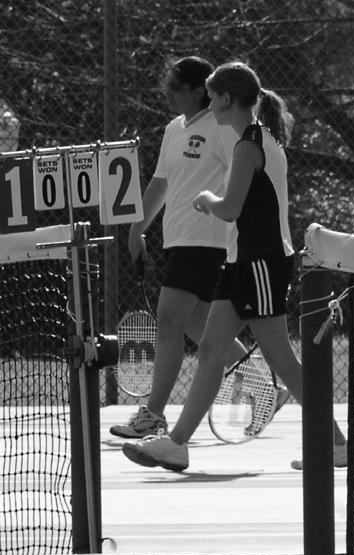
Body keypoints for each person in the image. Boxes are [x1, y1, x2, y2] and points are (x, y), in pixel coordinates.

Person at [121, 61, 347, 471]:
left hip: (261, 264)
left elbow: (229, 209)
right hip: (241, 262)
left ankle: (336, 443)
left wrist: (206, 198)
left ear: (228, 99)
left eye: (213, 97)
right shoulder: (255, 139)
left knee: (281, 360)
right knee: (210, 350)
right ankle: (176, 444)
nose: (210, 105)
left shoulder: (249, 145)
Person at [110, 57, 285, 438]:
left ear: (198, 91)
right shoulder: (174, 129)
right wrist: (137, 228)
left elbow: (245, 177)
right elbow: (160, 183)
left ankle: (154, 415)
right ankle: (265, 388)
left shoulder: (223, 129)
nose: (168, 94)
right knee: (199, 328)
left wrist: (218, 206)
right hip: (179, 241)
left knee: (169, 319)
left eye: (175, 87)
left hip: (208, 243)